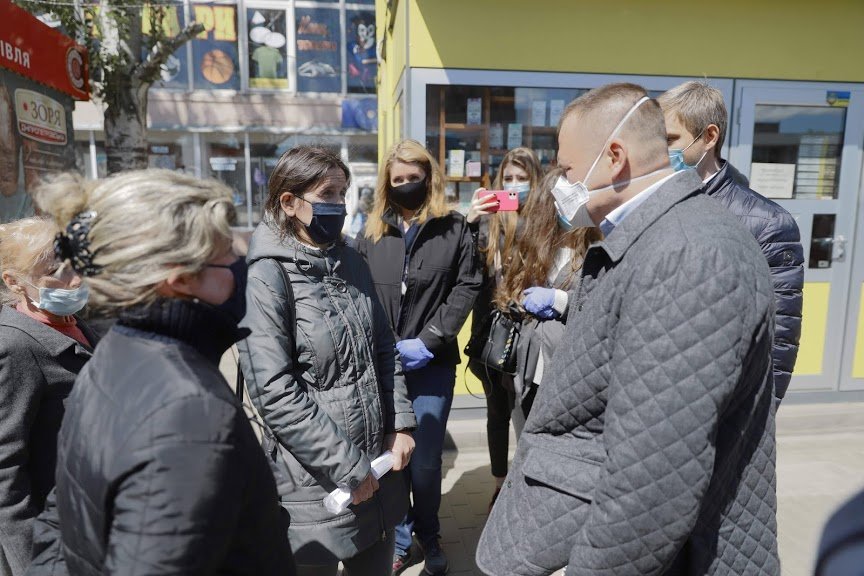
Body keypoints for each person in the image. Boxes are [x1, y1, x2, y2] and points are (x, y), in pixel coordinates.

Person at [476, 83, 779, 575]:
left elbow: (654, 479)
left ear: (614, 157)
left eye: (568, 170)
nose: (560, 184)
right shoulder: (652, 238)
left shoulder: (688, 255)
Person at [27, 170, 294, 575]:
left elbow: (60, 524)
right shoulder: (191, 412)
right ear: (180, 277)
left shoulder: (115, 350)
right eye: (227, 252)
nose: (240, 264)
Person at [237, 146, 416, 576]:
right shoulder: (265, 275)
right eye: (328, 193)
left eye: (343, 193)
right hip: (315, 483)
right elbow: (273, 392)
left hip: (378, 470)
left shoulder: (351, 260)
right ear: (289, 202)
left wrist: (401, 424)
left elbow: (383, 348)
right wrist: (347, 466)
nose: (338, 204)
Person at [355, 139, 481, 575]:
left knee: (426, 461)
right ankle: (403, 540)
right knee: (394, 458)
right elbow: (355, 291)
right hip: (384, 366)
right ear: (387, 185)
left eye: (415, 177)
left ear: (430, 178)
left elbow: (467, 286)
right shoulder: (371, 232)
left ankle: (430, 532)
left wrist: (431, 339)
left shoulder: (453, 227)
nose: (407, 185)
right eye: (399, 179)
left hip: (431, 364)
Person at [658, 80, 804, 403]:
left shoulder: (768, 225)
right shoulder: (651, 206)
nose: (660, 152)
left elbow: (777, 343)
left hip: (722, 411)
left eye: (669, 140)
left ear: (709, 136)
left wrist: (746, 427)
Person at [0, 217, 97, 576]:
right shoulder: (15, 346)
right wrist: (35, 564)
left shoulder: (76, 322)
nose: (74, 279)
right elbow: (6, 473)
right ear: (15, 281)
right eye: (55, 271)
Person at [494, 168, 601, 436]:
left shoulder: (598, 245)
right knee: (527, 441)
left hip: (571, 367)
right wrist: (517, 300)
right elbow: (508, 292)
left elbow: (604, 302)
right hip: (529, 365)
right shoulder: (533, 243)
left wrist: (560, 300)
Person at [465, 147, 543, 510]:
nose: (514, 187)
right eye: (508, 179)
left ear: (535, 181)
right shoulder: (487, 222)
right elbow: (464, 273)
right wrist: (469, 222)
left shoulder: (547, 220)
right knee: (497, 410)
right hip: (493, 333)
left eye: (521, 179)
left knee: (527, 411)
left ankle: (528, 482)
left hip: (531, 331)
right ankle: (500, 482)